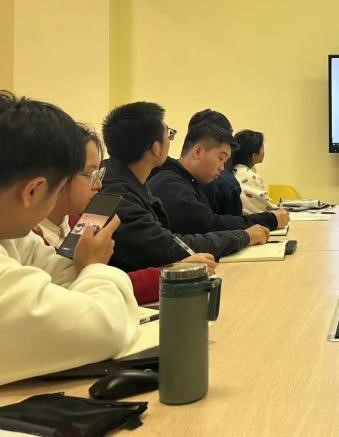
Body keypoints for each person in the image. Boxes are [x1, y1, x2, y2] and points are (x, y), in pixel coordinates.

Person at [0, 91, 138, 385]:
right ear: (33, 190)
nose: (97, 186)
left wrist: (86, 268)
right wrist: (95, 267)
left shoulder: (10, 235)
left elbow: (59, 274)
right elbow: (105, 330)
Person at [36, 124, 216, 304]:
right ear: (56, 175)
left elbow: (113, 283)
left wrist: (174, 273)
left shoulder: (77, 220)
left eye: (99, 174)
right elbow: (73, 301)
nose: (98, 185)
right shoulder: (30, 239)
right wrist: (91, 268)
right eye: (90, 174)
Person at [101, 102, 268, 272]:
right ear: (156, 148)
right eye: (169, 134)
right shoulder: (115, 194)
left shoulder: (124, 181)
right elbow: (168, 247)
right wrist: (244, 236)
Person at [148, 111, 289, 235]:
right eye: (221, 158)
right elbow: (209, 225)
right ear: (198, 151)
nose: (222, 168)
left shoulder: (189, 181)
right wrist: (270, 220)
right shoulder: (170, 183)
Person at [232, 130, 279, 214]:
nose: (264, 151)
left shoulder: (235, 170)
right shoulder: (249, 176)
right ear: (254, 155)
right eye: (262, 147)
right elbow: (267, 206)